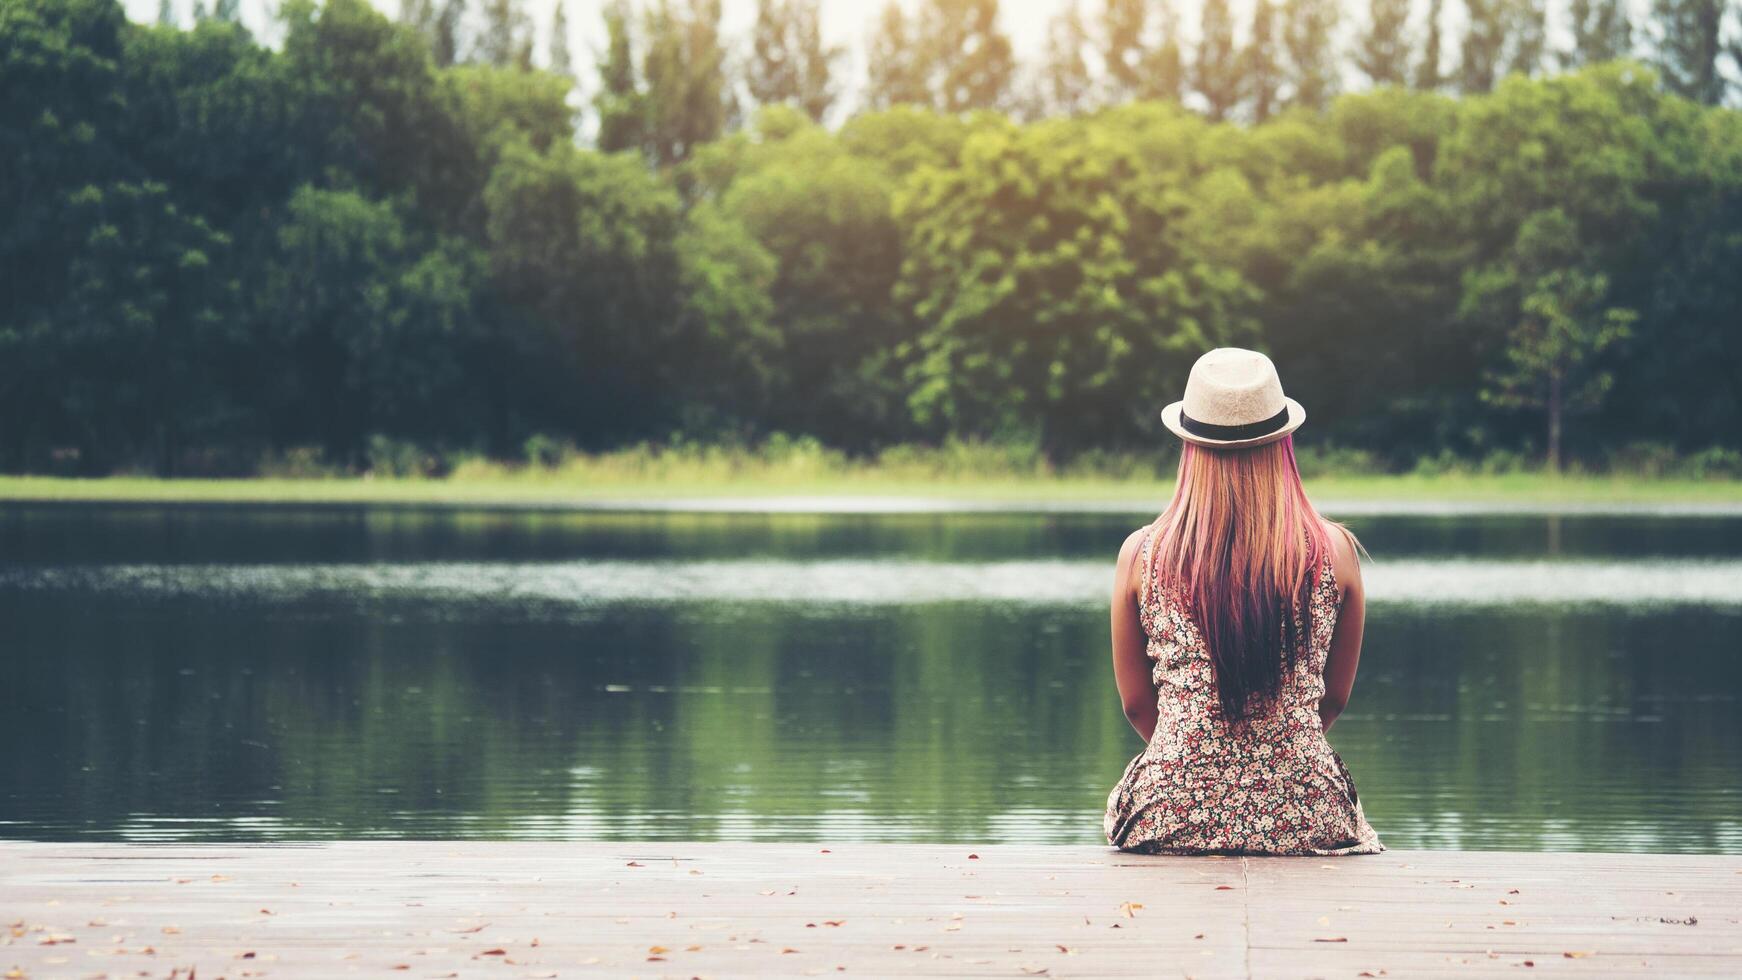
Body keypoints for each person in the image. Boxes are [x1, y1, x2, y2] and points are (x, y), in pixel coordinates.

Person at [1103, 347, 1384, 855]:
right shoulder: (1336, 553)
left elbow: (1137, 704)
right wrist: (1268, 762)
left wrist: (1199, 770)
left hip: (1169, 808)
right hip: (1307, 810)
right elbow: (1334, 699)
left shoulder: (1140, 555)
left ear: (1190, 447)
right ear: (1283, 445)